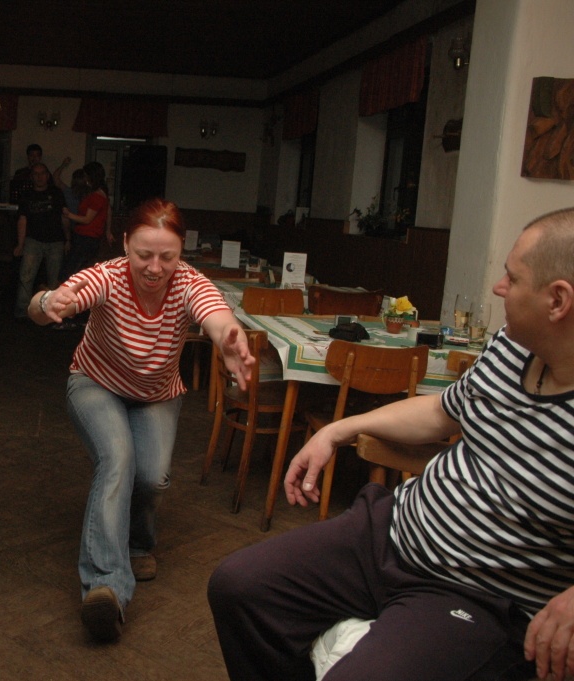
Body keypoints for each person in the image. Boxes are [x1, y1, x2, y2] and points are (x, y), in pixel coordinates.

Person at [207, 208, 574, 681]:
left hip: (474, 592)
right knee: (237, 587)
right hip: (390, 529)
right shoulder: (513, 346)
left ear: (557, 300)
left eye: (513, 277)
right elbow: (440, 411)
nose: (499, 287)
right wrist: (336, 430)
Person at [29, 198, 255, 643]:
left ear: (181, 252)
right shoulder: (107, 276)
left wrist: (229, 338)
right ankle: (106, 586)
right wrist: (48, 301)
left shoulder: (189, 283)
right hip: (96, 384)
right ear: (125, 243)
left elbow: (216, 316)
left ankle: (137, 543)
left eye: (167, 257)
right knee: (118, 460)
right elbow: (46, 306)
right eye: (144, 254)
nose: (155, 267)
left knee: (152, 478)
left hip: (156, 395)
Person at [12, 162, 68, 318]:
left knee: (54, 280)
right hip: (33, 240)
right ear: (32, 177)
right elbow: (22, 220)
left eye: (42, 173)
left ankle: (51, 313)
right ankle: (22, 312)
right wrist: (20, 244)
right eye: (36, 174)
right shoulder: (27, 195)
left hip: (55, 241)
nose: (39, 177)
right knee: (26, 276)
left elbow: (64, 217)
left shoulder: (56, 193)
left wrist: (68, 239)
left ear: (47, 175)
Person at [61, 161, 112, 280]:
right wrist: (108, 231)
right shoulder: (97, 192)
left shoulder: (96, 195)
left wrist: (68, 214)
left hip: (86, 238)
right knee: (75, 270)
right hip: (86, 238)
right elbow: (108, 211)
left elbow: (87, 219)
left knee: (72, 272)